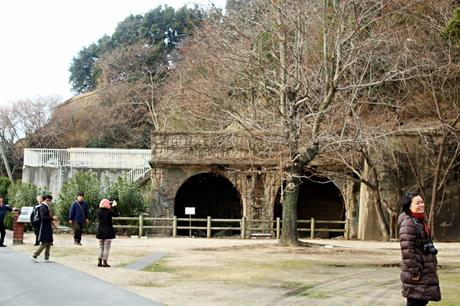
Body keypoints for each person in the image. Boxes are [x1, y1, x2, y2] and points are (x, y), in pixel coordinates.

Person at [399, 192, 441, 306]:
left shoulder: (419, 220)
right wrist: (414, 272)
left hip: (424, 270)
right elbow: (407, 250)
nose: (421, 205)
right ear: (409, 206)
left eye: (422, 202)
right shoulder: (408, 222)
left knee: (421, 301)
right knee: (415, 302)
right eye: (417, 203)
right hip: (417, 273)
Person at [31, 195, 55, 262]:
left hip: (47, 226)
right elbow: (43, 218)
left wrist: (52, 220)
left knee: (49, 241)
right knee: (44, 242)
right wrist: (52, 218)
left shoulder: (46, 207)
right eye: (48, 200)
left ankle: (46, 257)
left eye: (50, 200)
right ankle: (34, 255)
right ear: (44, 200)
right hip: (44, 227)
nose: (49, 201)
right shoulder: (42, 207)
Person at [96, 198, 118, 267]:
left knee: (101, 247)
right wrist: (114, 206)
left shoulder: (98, 211)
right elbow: (116, 214)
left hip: (100, 231)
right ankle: (104, 261)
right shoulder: (109, 211)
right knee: (106, 247)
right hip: (108, 231)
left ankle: (99, 260)